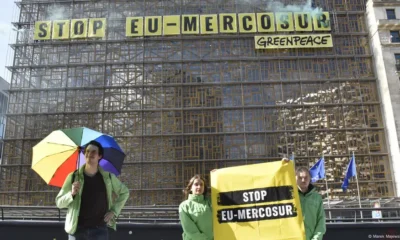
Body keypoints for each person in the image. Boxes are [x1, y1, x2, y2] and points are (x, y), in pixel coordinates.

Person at [55, 140, 130, 240]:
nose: (89, 154)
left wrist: (114, 211)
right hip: (77, 230)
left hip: (100, 231)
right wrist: (71, 194)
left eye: (93, 152)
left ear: (100, 156)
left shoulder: (108, 177)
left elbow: (125, 192)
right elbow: (59, 203)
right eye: (87, 151)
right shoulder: (73, 177)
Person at [179, 174, 213, 240]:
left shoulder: (210, 202)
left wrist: (217, 174)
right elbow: (190, 230)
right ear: (191, 187)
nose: (199, 187)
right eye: (196, 184)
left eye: (201, 184)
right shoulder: (184, 206)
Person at [296, 166, 326, 240]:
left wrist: (316, 238)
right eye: (300, 177)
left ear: (310, 179)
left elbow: (321, 221)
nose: (303, 180)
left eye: (306, 177)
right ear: (295, 178)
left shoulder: (317, 198)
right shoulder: (289, 196)